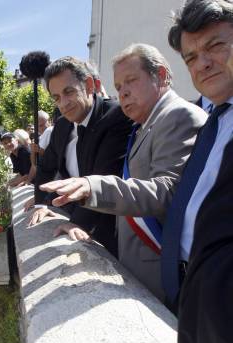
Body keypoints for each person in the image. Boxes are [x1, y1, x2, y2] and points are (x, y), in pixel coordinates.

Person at [38, 45, 206, 300]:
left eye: (131, 81)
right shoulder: (144, 124)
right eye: (118, 86)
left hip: (167, 268)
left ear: (160, 75)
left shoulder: (178, 116)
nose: (123, 92)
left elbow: (167, 191)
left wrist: (92, 188)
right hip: (140, 264)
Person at [162, 0, 233, 343]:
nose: (202, 63)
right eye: (191, 57)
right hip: (199, 313)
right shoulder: (213, 120)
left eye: (215, 46)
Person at [28, 56, 132, 256]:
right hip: (74, 214)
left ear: (90, 85)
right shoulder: (62, 125)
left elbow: (102, 178)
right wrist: (41, 203)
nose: (63, 104)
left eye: (69, 92)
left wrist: (77, 224)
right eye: (56, 97)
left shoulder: (116, 116)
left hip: (112, 229)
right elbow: (47, 167)